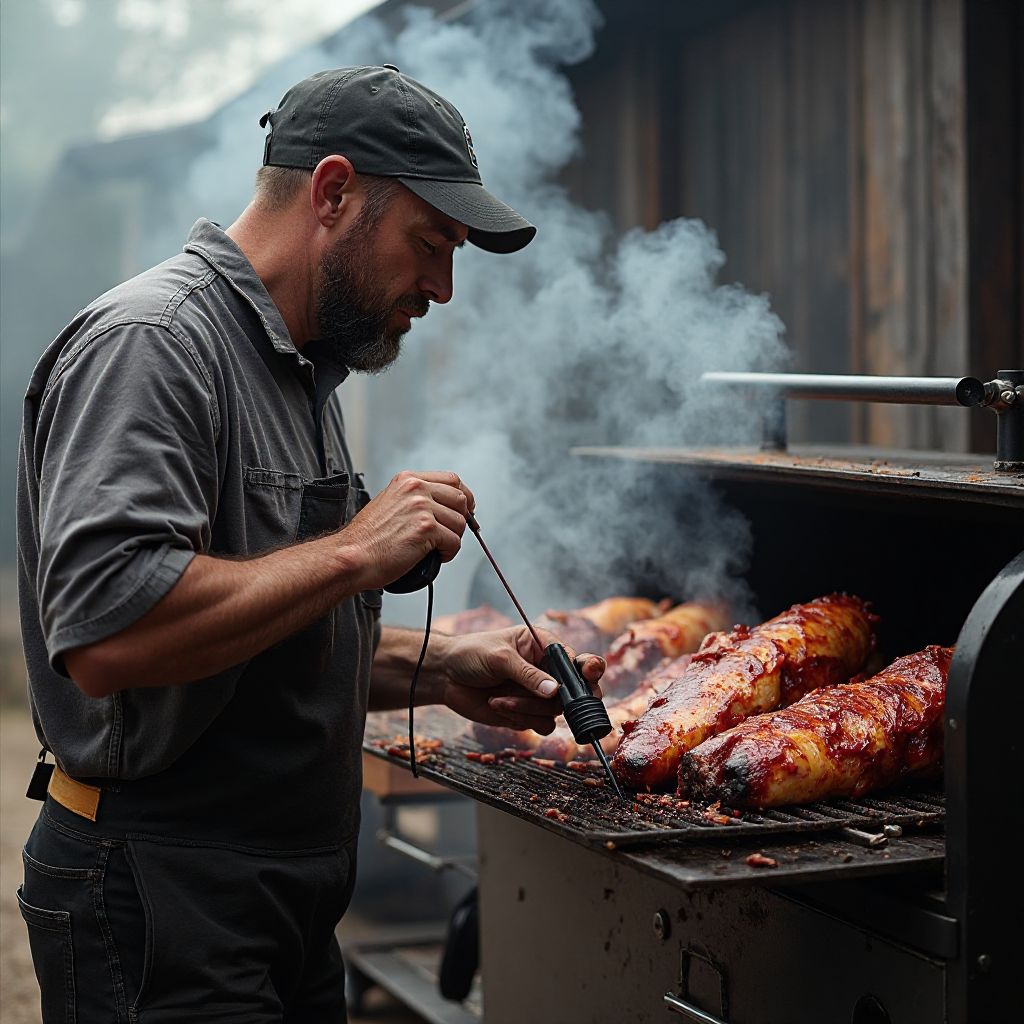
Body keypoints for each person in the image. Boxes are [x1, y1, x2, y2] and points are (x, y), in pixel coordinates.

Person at [16, 65, 605, 1023]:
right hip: (160, 895)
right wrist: (357, 551)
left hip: (279, 898)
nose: (443, 287)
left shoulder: (299, 371)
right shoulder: (155, 342)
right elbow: (108, 633)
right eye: (430, 243)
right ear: (333, 193)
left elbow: (257, 639)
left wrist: (441, 668)